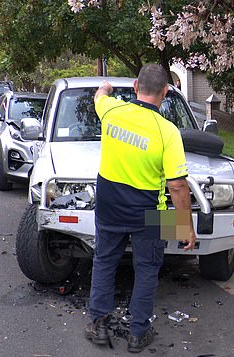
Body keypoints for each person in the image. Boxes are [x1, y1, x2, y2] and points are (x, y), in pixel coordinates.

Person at [86, 64, 196, 353]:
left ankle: (98, 324)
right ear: (166, 92)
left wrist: (107, 87)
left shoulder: (111, 110)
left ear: (135, 86)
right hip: (150, 213)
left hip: (109, 206)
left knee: (105, 261)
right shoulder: (168, 131)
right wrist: (185, 227)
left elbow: (100, 94)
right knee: (147, 268)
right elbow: (177, 186)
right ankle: (138, 333)